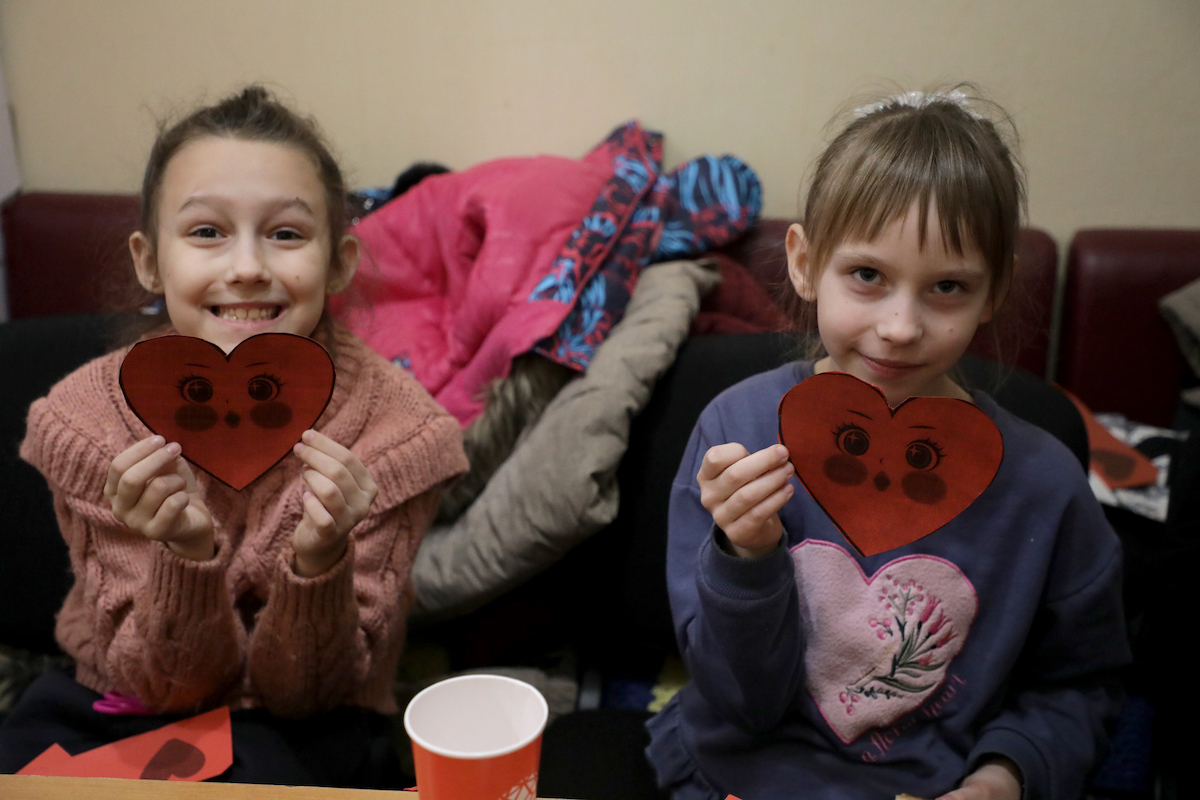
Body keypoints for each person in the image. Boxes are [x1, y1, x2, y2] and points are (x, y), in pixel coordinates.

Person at [646, 88, 1130, 800]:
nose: (901, 327)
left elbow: (1081, 686)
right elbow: (738, 701)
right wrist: (745, 556)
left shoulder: (1045, 486)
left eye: (947, 287)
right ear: (805, 263)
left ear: (994, 291)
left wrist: (1004, 777)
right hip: (732, 772)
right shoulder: (736, 432)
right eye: (867, 276)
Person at [0, 86, 468, 786]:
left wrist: (320, 562)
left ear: (339, 262)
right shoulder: (89, 423)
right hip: (124, 707)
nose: (247, 266)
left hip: (310, 726)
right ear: (150, 260)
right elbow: (165, 686)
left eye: (285, 233)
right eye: (207, 232)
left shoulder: (397, 434)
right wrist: (183, 554)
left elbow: (310, 693)